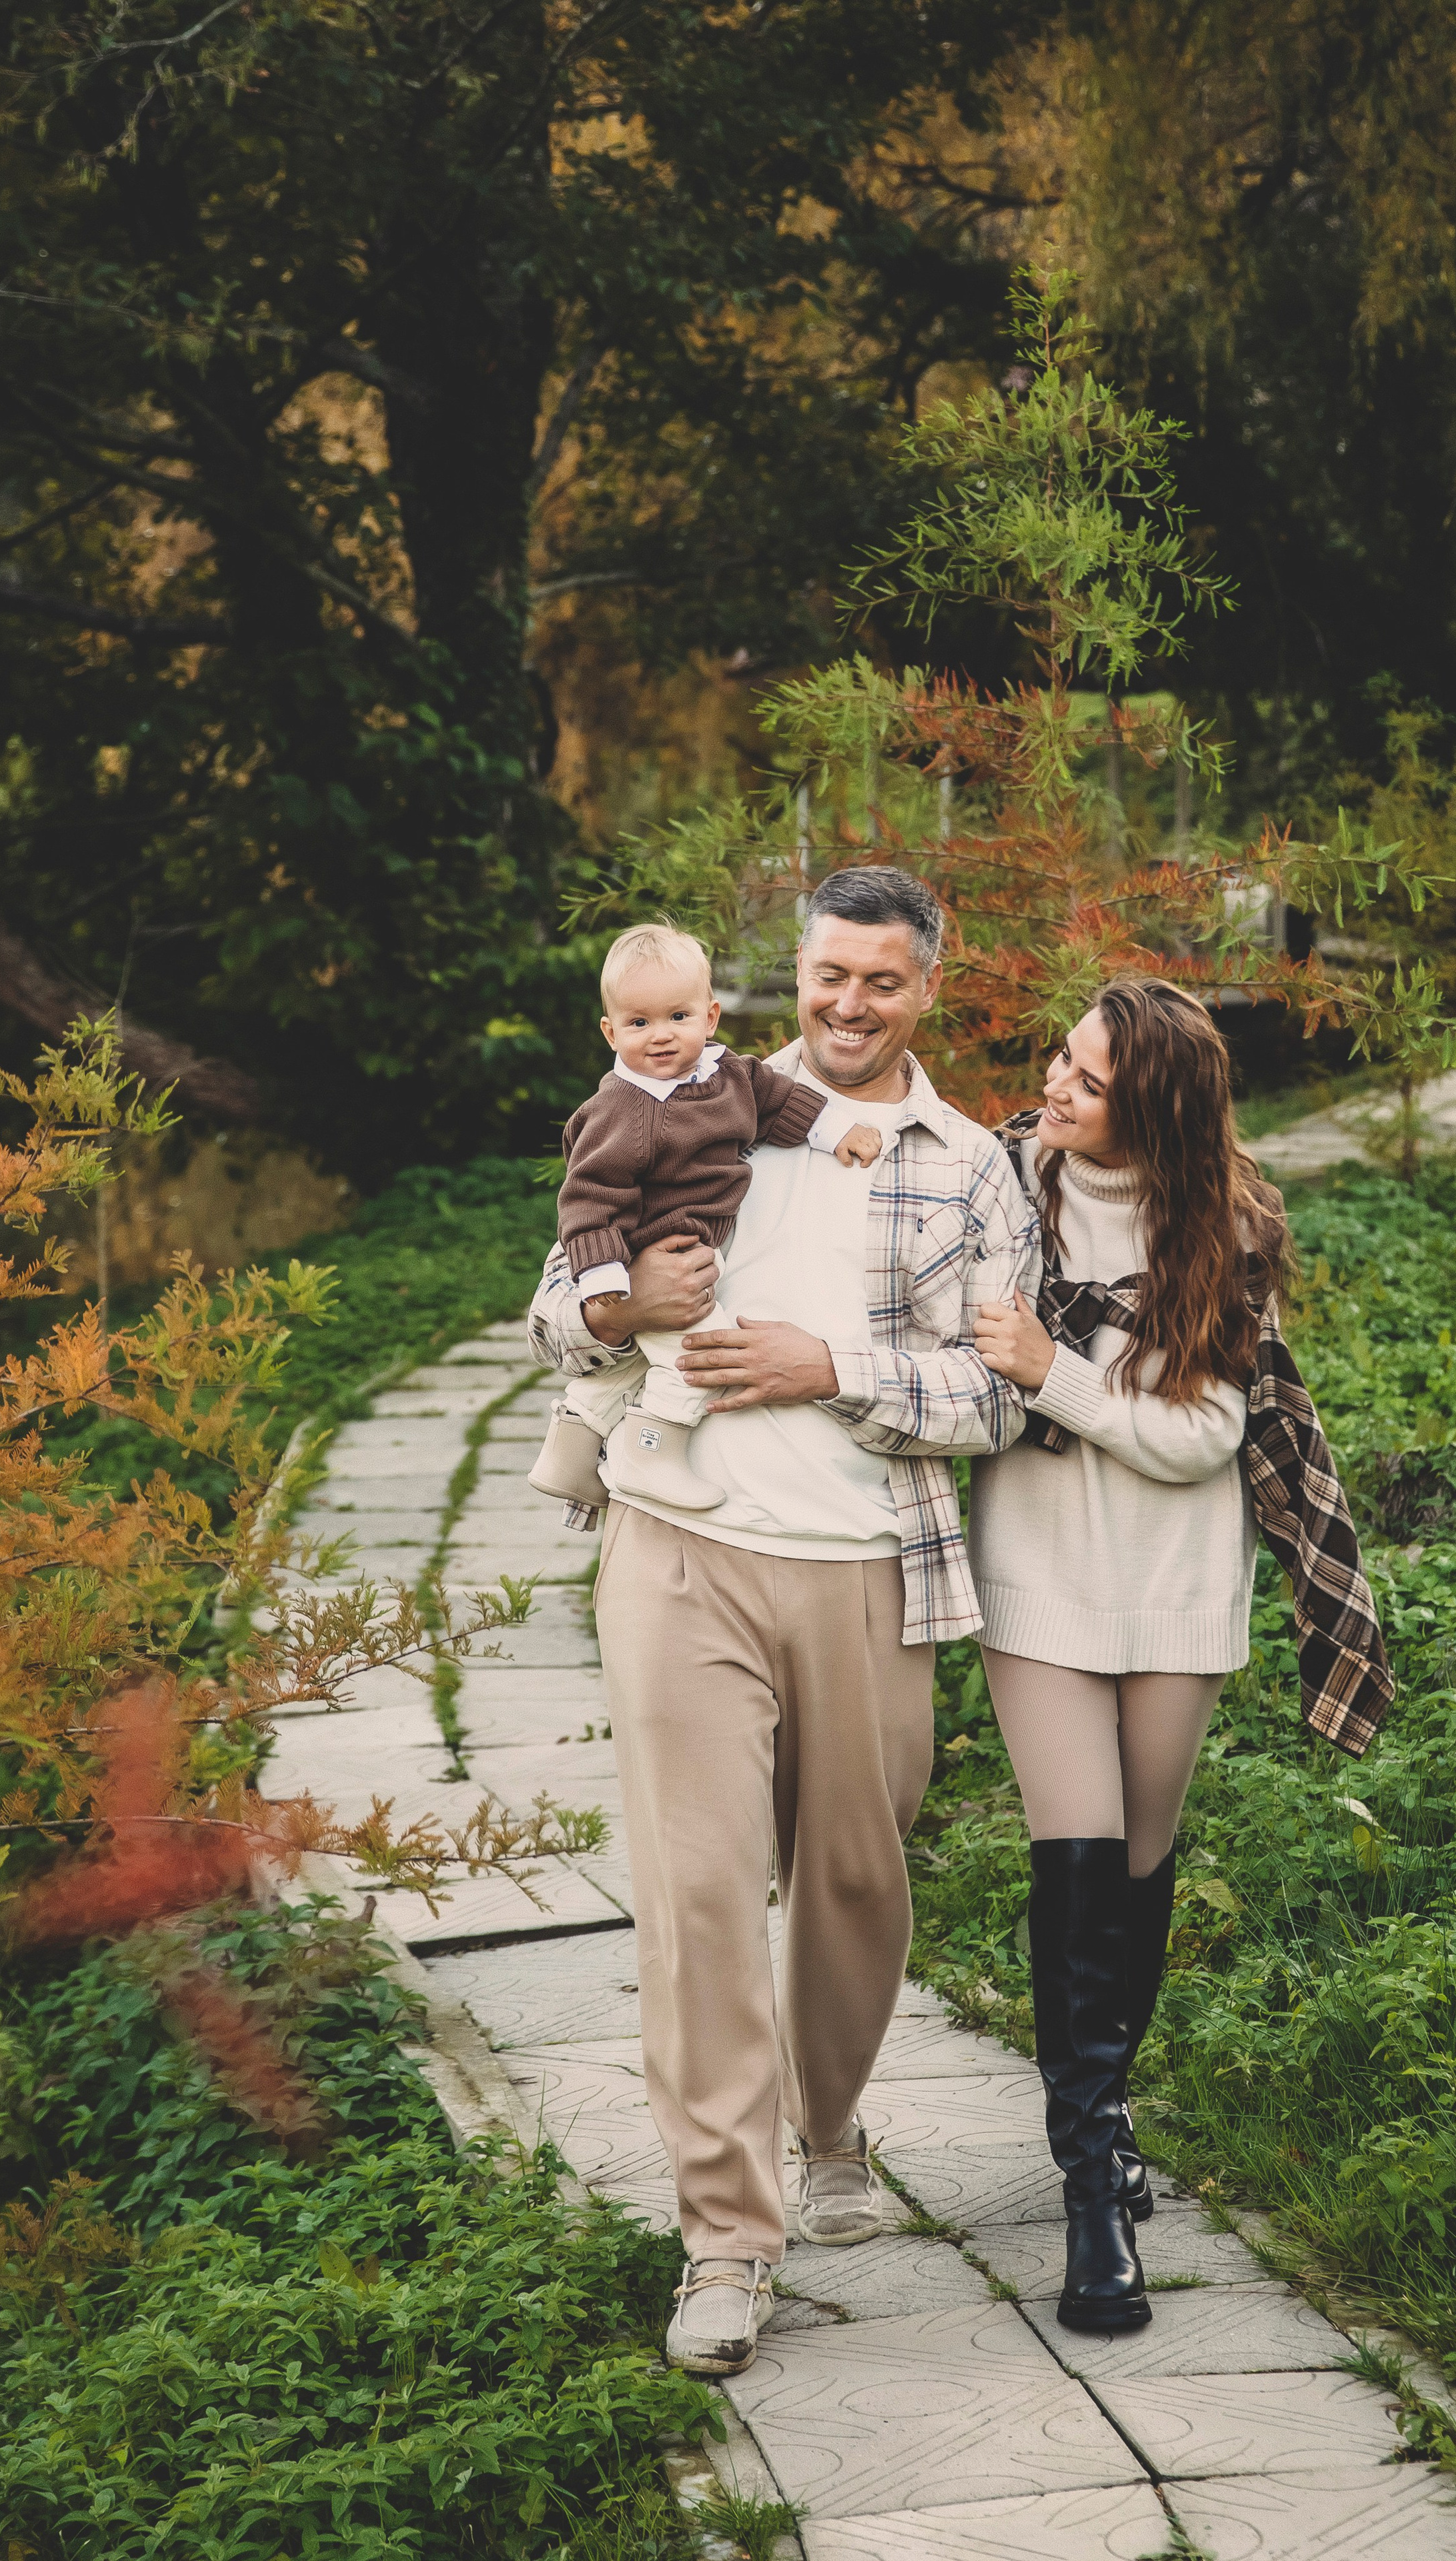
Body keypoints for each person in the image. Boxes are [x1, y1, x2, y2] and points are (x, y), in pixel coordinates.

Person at [528, 866, 1040, 2376]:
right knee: (696, 1897)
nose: (847, 1003)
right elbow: (553, 1303)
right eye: (827, 973)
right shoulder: (683, 1094)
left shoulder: (962, 1166)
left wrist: (836, 1367)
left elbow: (1000, 1400)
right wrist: (621, 1307)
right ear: (794, 972)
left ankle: (829, 2122)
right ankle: (724, 2237)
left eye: (880, 980)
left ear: (925, 987)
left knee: (853, 1880)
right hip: (676, 1547)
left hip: (870, 1562)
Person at [970, 976, 1389, 2338]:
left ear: (1147, 1106)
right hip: (1033, 1570)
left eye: (1085, 1079)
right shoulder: (997, 1186)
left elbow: (1202, 1435)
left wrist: (1047, 1368)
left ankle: (1106, 2113)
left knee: (1140, 1866)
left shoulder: (1219, 1222)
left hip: (1171, 1582)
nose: (1055, 1085)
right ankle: (1093, 2188)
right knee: (1075, 1851)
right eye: (1060, 1061)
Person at [530, 921, 881, 1514]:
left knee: (637, 1361)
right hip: (655, 1260)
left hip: (694, 1251)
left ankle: (567, 1453)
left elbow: (782, 1101)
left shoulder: (731, 1075)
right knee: (701, 1360)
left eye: (678, 1017)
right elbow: (588, 1199)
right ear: (610, 1032)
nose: (661, 1036)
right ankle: (650, 1451)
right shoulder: (620, 1110)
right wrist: (608, 1282)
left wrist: (838, 1132)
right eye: (639, 1024)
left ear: (711, 1017)